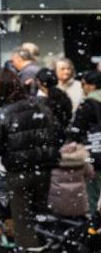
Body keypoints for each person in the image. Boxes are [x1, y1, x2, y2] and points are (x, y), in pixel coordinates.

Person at [0, 69, 60, 249]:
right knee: (40, 214)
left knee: (22, 220)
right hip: (44, 168)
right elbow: (58, 134)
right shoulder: (41, 106)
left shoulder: (1, 114)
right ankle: (46, 245)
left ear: (0, 87)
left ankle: (31, 248)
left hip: (18, 171)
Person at [69, 70, 101, 213]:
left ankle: (96, 228)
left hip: (95, 154)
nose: (82, 88)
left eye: (83, 84)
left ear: (91, 86)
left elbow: (76, 131)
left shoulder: (87, 105)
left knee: (93, 194)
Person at [47, 141, 95, 218]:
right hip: (79, 202)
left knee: (60, 218)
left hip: (58, 201)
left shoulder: (56, 160)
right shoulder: (84, 162)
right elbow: (90, 174)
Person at [36, 68, 73, 142]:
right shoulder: (62, 95)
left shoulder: (40, 100)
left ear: (40, 82)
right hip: (62, 136)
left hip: (48, 138)